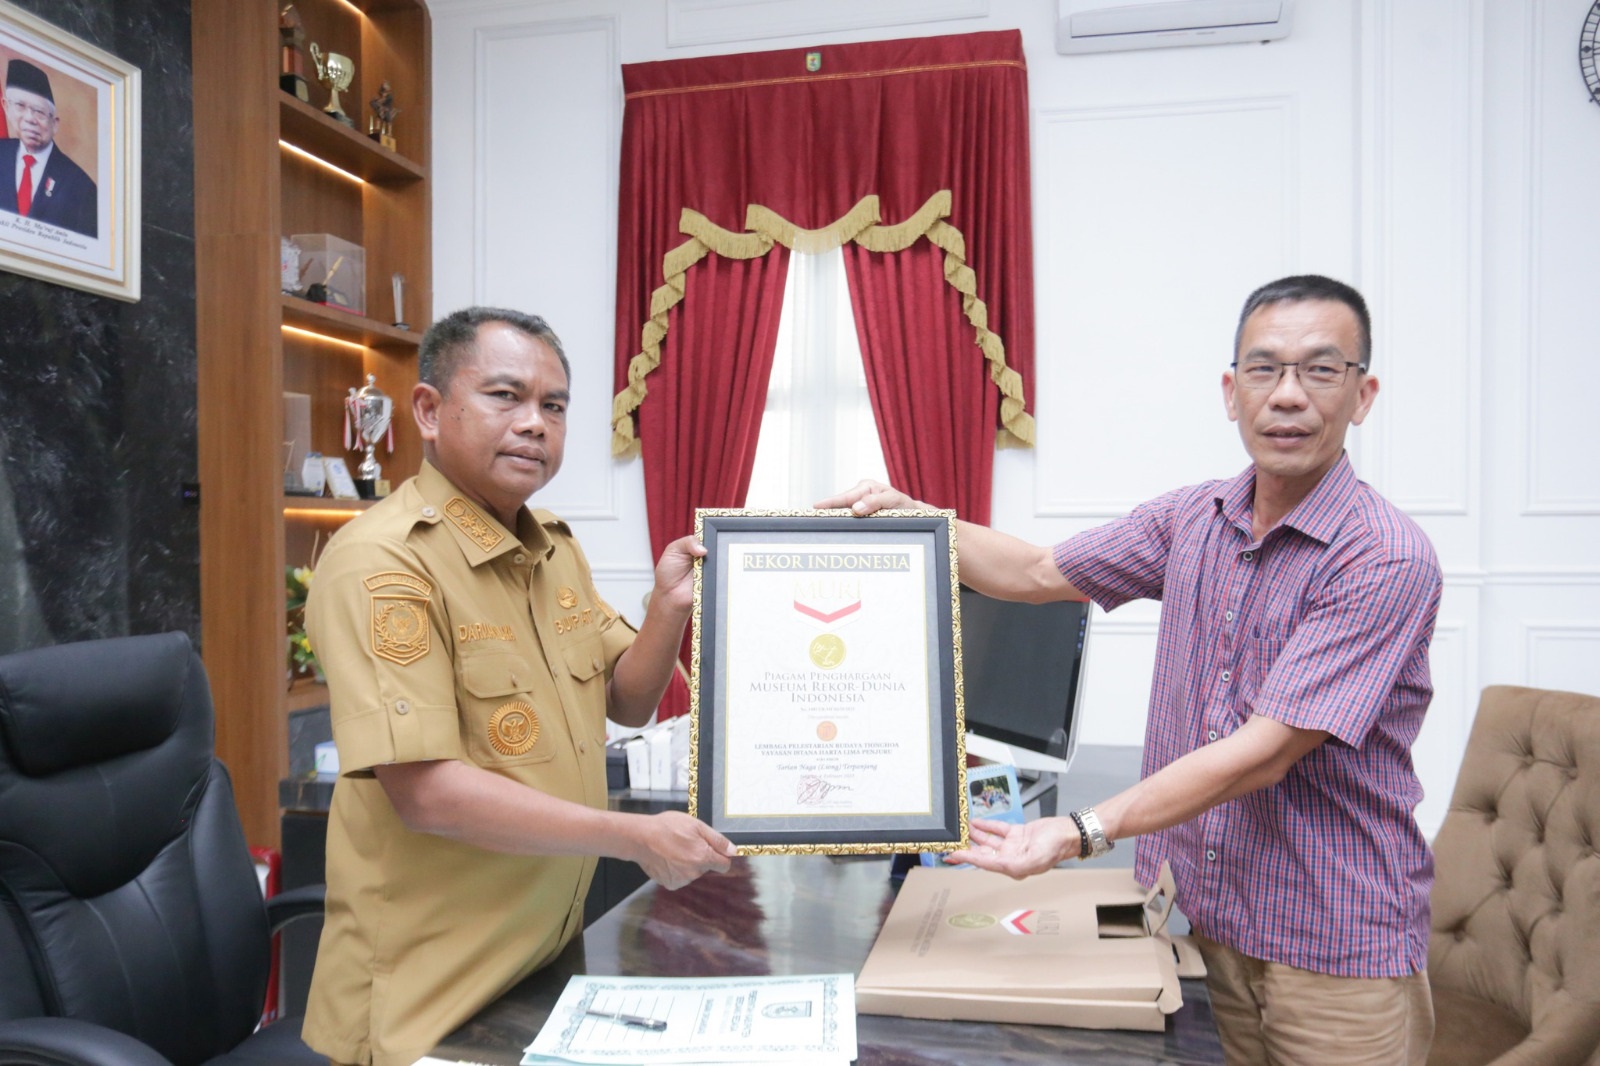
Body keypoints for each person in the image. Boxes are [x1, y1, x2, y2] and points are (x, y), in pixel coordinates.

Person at [822, 275, 1441, 1065]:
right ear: (1230, 391)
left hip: (1331, 944)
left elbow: (1267, 750)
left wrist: (1081, 831)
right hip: (1203, 922)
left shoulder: (1383, 556)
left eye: (1321, 370)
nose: (1288, 396)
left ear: (1363, 394)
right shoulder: (1193, 518)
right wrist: (923, 522)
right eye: (1264, 369)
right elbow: (1039, 571)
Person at [302, 307, 736, 1066]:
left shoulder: (551, 548)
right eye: (506, 396)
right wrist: (632, 836)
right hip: (430, 1006)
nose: (535, 424)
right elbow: (427, 792)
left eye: (554, 406)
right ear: (431, 412)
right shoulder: (383, 563)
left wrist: (669, 608)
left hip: (537, 971)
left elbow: (626, 699)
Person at [1, 58, 96, 238]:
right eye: (20, 106)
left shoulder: (82, 188)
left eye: (38, 111)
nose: (29, 118)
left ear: (55, 124)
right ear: (6, 107)